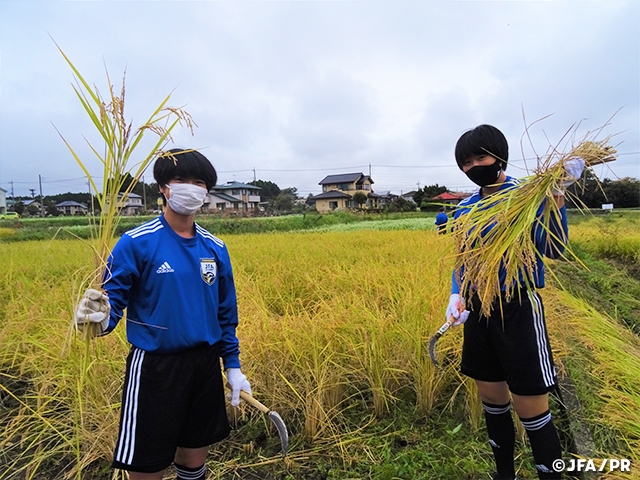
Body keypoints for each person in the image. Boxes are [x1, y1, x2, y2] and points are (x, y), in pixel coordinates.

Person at [74, 149, 252, 480]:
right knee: (146, 466)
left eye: (198, 182)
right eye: (180, 180)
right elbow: (111, 305)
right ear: (163, 187)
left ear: (207, 190)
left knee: (193, 458)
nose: (190, 188)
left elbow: (226, 314)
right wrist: (95, 320)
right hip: (156, 368)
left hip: (204, 364)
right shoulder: (136, 243)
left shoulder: (215, 247)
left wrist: (233, 366)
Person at [445, 125, 584, 480]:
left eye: (480, 157)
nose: (473, 166)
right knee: (492, 400)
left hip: (518, 308)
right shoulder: (465, 208)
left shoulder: (526, 195)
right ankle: (504, 474)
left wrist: (556, 199)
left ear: (500, 156)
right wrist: (456, 294)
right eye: (466, 161)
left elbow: (552, 249)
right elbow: (463, 260)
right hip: (478, 310)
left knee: (531, 406)